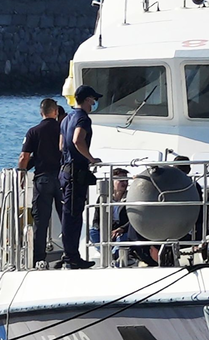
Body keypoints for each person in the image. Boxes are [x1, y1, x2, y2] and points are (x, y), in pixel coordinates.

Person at [59, 85, 102, 269]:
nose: (94, 103)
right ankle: (71, 257)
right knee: (74, 215)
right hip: (76, 172)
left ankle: (69, 254)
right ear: (87, 99)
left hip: (65, 170)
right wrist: (90, 158)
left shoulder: (66, 119)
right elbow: (77, 139)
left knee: (68, 214)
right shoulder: (83, 119)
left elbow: (61, 145)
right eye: (93, 99)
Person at [18, 98, 63, 268]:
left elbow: (24, 157)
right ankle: (71, 252)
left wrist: (21, 175)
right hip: (61, 178)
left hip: (42, 179)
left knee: (40, 221)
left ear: (41, 112)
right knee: (66, 217)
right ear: (56, 111)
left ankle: (38, 259)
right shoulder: (62, 129)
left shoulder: (33, 132)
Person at [89, 168, 130, 250]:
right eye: (121, 180)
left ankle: (112, 256)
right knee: (92, 232)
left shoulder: (131, 197)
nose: (125, 183)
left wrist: (121, 229)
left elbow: (135, 220)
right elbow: (96, 219)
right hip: (108, 228)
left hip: (123, 229)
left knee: (122, 239)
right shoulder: (104, 198)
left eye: (126, 180)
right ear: (112, 182)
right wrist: (104, 230)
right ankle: (106, 253)